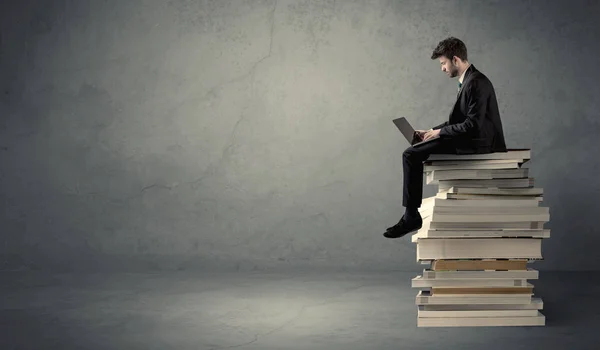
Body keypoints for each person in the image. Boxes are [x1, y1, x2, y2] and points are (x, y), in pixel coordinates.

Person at [384, 37, 507, 239]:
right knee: (415, 150)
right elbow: (459, 120)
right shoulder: (469, 80)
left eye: (443, 63)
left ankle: (411, 216)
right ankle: (410, 215)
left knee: (410, 154)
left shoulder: (476, 83)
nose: (442, 68)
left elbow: (472, 125)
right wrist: (431, 131)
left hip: (479, 143)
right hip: (471, 137)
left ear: (456, 59)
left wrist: (439, 133)